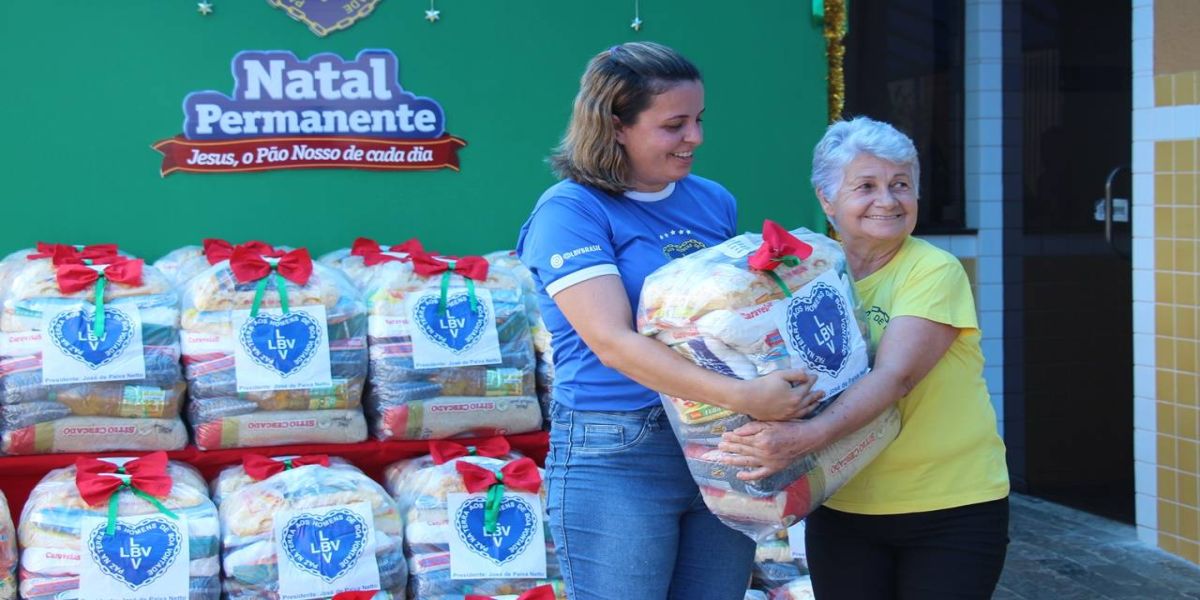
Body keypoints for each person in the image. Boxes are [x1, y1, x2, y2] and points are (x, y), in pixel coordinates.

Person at [516, 42, 821, 599]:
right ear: (615, 126)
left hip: (718, 442)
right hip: (618, 449)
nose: (696, 138)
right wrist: (747, 395)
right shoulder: (571, 211)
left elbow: (727, 317)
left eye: (699, 120)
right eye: (674, 125)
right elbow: (613, 343)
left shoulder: (713, 201)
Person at [718, 117, 1011, 599]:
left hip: (948, 507)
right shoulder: (805, 272)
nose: (888, 200)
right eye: (867, 186)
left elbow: (895, 377)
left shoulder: (933, 269)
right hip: (844, 502)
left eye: (901, 185)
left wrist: (801, 438)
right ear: (827, 200)